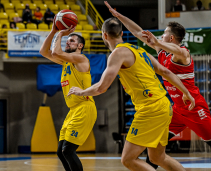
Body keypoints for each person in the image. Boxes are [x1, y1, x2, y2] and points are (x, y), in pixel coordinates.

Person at [68, 14, 195, 171]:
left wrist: (81, 92)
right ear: (121, 34)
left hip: (150, 109)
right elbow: (165, 71)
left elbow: (101, 87)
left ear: (104, 35)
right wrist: (186, 92)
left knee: (128, 159)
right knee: (157, 157)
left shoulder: (117, 54)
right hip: (164, 105)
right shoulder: (139, 50)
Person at [103, 1, 211, 170]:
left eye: (164, 34)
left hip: (194, 106)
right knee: (154, 151)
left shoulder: (183, 53)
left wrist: (157, 43)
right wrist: (119, 17)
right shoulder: (161, 52)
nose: (160, 36)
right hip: (176, 110)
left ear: (171, 38)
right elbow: (137, 32)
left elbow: (173, 50)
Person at [40, 20, 97, 171]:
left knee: (68, 150)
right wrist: (53, 31)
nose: (67, 42)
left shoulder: (80, 59)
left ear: (80, 46)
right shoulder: (66, 62)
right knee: (61, 151)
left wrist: (60, 33)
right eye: (67, 40)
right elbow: (44, 52)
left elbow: (55, 52)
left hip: (84, 107)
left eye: (71, 40)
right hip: (73, 110)